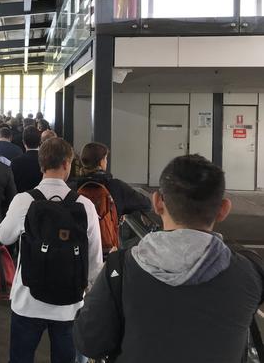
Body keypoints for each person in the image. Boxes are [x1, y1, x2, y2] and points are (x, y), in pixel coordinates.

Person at [74, 155, 263, 362]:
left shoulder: (120, 269)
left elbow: (90, 342)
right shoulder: (250, 273)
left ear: (157, 203)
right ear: (224, 209)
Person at [0, 138, 103, 363]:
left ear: (41, 164)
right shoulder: (85, 205)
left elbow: (3, 236)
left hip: (27, 300)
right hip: (69, 304)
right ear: (67, 164)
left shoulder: (23, 200)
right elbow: (94, 260)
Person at [78, 142, 151, 218]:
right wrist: (121, 210)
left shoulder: (74, 187)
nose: (106, 162)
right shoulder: (116, 186)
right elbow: (146, 204)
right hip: (106, 229)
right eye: (105, 158)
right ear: (101, 162)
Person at [11, 127, 42, 193]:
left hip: (21, 200)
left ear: (23, 142)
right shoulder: (46, 160)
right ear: (40, 141)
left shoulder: (15, 162)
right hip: (43, 199)